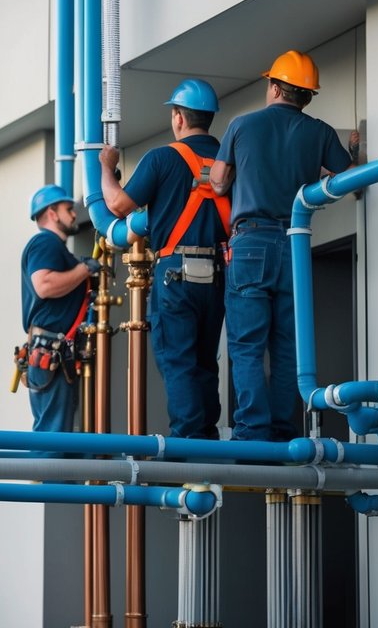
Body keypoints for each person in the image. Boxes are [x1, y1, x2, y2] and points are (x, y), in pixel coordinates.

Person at [209, 50, 359, 441]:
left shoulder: (242, 126)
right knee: (287, 344)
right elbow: (349, 179)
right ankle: (280, 430)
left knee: (246, 345)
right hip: (295, 241)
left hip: (251, 242)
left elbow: (220, 182)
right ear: (306, 96)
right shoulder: (321, 132)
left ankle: (252, 432)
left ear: (274, 87)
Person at [98, 79, 230, 439]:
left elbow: (118, 206)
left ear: (178, 117)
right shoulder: (227, 160)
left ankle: (189, 449)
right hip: (218, 273)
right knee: (205, 363)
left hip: (176, 275)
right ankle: (205, 442)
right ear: (210, 119)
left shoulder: (162, 158)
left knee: (178, 362)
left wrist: (107, 168)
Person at [20, 185, 100, 433]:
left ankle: (58, 473)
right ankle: (50, 472)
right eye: (68, 209)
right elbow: (44, 285)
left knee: (62, 439)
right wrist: (84, 270)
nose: (74, 214)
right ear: (52, 213)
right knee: (52, 438)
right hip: (52, 352)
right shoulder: (45, 242)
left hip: (57, 353)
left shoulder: (54, 247)